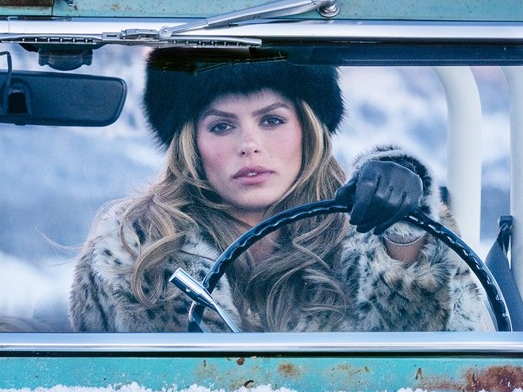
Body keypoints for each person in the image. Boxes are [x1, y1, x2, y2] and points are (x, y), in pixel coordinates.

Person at [68, 50, 493, 334]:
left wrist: (403, 238)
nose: (248, 144)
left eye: (271, 120)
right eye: (221, 125)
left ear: (308, 129)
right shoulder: (130, 255)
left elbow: (451, 380)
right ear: (189, 144)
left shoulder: (367, 236)